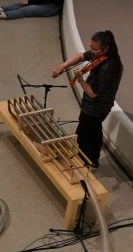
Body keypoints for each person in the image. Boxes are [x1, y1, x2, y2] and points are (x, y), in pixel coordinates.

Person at [52, 30, 123, 167]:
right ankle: (93, 159)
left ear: (106, 49)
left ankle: (80, 162)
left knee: (82, 135)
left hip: (96, 107)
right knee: (95, 130)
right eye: (90, 47)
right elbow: (81, 57)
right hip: (95, 105)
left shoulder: (109, 67)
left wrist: (80, 80)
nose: (91, 51)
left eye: (94, 49)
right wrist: (62, 66)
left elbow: (93, 93)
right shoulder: (99, 53)